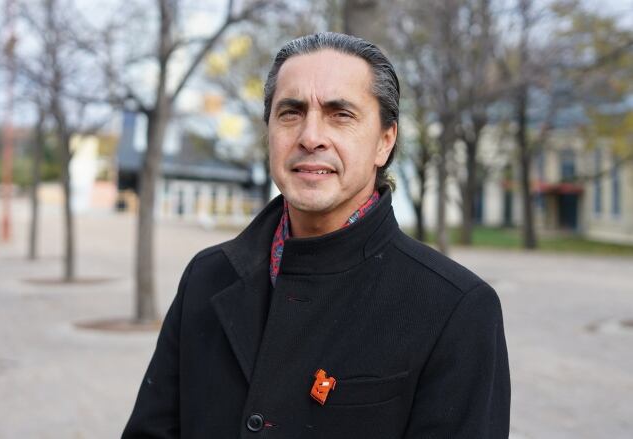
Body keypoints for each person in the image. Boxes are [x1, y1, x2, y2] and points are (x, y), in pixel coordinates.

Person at [123, 32, 510, 439]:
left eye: (340, 114)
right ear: (268, 130)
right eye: (290, 112)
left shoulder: (455, 309)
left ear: (384, 141)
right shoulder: (208, 276)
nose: (310, 136)